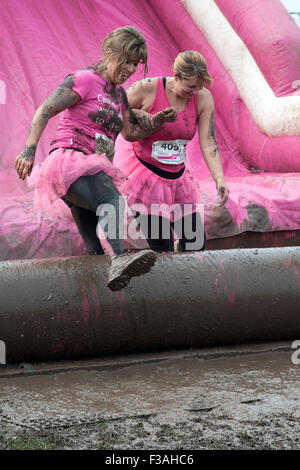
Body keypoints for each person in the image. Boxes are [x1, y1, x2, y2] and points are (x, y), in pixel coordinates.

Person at [14, 26, 176, 291]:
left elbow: (132, 132)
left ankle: (97, 309)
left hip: (92, 172)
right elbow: (45, 109)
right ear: (110, 53)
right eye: (126, 62)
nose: (130, 69)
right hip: (70, 162)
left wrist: (158, 119)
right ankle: (120, 259)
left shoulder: (119, 95)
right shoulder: (84, 79)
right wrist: (29, 151)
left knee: (94, 247)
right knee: (113, 200)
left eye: (135, 65)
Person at [117, 50, 229, 252]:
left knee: (196, 243)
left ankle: (185, 279)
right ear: (176, 77)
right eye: (191, 87)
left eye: (200, 87)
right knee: (163, 247)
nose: (195, 92)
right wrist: (137, 112)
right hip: (145, 177)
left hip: (177, 179)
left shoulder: (202, 98)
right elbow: (116, 112)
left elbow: (208, 141)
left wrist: (219, 178)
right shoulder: (146, 89)